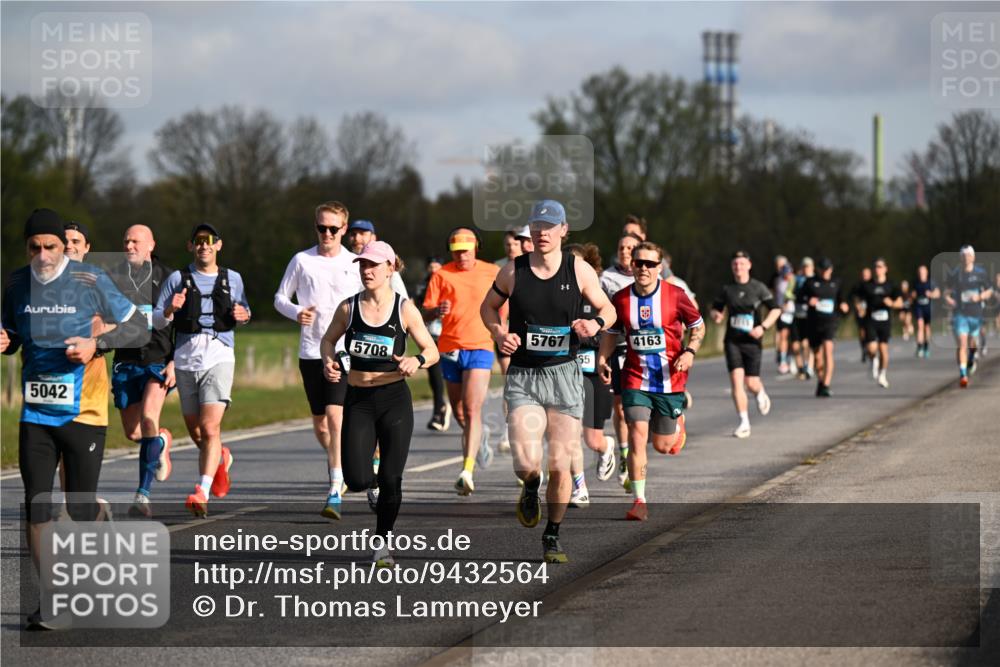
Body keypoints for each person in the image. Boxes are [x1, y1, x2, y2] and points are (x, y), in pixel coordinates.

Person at [3, 209, 147, 629]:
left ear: (63, 246)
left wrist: (96, 346)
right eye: (35, 247)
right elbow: (12, 332)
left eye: (51, 246)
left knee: (79, 507)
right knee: (37, 504)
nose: (44, 254)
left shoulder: (90, 280)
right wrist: (6, 339)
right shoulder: (15, 283)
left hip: (84, 411)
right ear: (26, 247)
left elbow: (137, 327)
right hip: (36, 411)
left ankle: (99, 520)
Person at [481, 200, 616, 564]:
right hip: (524, 373)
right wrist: (498, 333)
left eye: (548, 226)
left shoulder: (579, 270)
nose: (541, 232)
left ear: (563, 230)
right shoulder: (514, 271)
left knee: (560, 462)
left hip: (564, 374)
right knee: (527, 461)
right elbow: (488, 307)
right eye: (536, 226)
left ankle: (552, 535)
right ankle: (529, 485)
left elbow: (608, 309)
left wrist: (596, 325)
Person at [320, 241, 439, 567]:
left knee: (392, 479)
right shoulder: (349, 308)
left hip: (394, 401)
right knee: (356, 479)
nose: (367, 271)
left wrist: (416, 360)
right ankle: (369, 480)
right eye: (363, 265)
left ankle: (383, 542)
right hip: (358, 400)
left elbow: (432, 350)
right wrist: (328, 361)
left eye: (373, 265)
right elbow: (328, 340)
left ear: (391, 268)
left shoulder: (404, 309)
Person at [600, 242, 705, 521]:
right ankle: (639, 500)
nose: (643, 268)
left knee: (662, 445)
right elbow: (611, 332)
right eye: (639, 263)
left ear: (660, 267)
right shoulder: (621, 299)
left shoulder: (675, 295)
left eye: (649, 264)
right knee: (636, 435)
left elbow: (698, 326)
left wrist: (690, 352)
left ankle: (677, 417)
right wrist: (602, 358)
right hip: (635, 377)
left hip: (670, 380)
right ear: (632, 265)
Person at [153, 223, 251, 517]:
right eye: (198, 241)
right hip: (185, 358)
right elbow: (157, 320)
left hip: (219, 355)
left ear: (218, 245)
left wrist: (243, 315)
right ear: (190, 246)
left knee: (210, 427)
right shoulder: (177, 279)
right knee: (197, 432)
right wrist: (171, 308)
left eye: (209, 241)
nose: (204, 245)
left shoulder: (232, 278)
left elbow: (245, 312)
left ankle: (202, 491)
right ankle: (220, 459)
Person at [274, 202, 363, 519]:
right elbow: (280, 298)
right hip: (310, 351)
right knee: (321, 426)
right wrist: (296, 311)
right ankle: (342, 461)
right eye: (321, 228)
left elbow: (369, 300)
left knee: (335, 418)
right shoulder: (302, 261)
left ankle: (334, 488)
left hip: (342, 353)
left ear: (344, 229)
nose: (327, 233)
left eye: (333, 229)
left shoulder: (355, 263)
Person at [422, 228, 501, 496]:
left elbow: (504, 303)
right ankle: (479, 437)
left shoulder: (492, 272)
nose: (461, 256)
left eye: (466, 251)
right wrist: (435, 311)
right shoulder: (441, 274)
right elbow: (424, 312)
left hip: (480, 345)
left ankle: (466, 471)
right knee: (457, 411)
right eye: (456, 251)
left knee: (471, 408)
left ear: (476, 248)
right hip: (449, 348)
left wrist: (502, 329)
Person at [106, 225, 177, 518]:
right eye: (126, 241)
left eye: (135, 241)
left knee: (149, 416)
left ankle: (142, 495)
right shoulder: (112, 277)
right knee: (134, 432)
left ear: (151, 244)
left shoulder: (170, 277)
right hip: (126, 360)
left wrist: (175, 362)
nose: (129, 245)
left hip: (159, 358)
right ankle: (161, 441)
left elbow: (185, 324)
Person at [564, 243, 616, 508]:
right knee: (568, 435)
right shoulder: (559, 296)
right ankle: (580, 487)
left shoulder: (598, 296)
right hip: (566, 375)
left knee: (591, 439)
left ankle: (606, 446)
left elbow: (612, 330)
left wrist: (600, 353)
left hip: (593, 374)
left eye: (577, 264)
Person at [710, 250, 781, 438]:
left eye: (742, 264)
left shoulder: (758, 288)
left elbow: (775, 310)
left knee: (751, 383)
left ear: (749, 265)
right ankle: (744, 422)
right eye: (735, 264)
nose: (738, 267)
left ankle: (760, 393)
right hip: (732, 341)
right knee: (736, 382)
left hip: (752, 341)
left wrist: (763, 327)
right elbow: (715, 309)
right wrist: (716, 315)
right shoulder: (727, 289)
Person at [599, 233, 641, 490]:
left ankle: (636, 454)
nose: (625, 251)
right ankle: (626, 458)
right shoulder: (607, 278)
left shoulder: (649, 274)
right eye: (621, 247)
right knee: (621, 409)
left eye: (630, 248)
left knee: (638, 409)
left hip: (642, 350)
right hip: (617, 347)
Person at [944, 245, 992, 388]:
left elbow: (989, 290)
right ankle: (963, 374)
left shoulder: (980, 273)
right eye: (964, 256)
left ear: (973, 257)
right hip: (961, 314)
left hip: (976, 314)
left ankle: (971, 359)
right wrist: (949, 300)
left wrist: (980, 296)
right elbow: (946, 292)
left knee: (972, 344)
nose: (966, 258)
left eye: (969, 255)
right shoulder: (955, 274)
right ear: (960, 258)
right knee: (962, 343)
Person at [801, 258, 850, 397]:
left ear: (831, 269)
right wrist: (808, 300)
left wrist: (844, 306)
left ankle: (826, 384)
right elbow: (799, 297)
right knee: (817, 357)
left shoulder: (836, 283)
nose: (825, 272)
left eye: (827, 269)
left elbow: (842, 299)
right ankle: (821, 382)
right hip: (814, 323)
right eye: (822, 269)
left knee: (828, 350)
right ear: (818, 269)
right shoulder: (810, 282)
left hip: (830, 322)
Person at [415, 257, 450, 431]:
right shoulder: (423, 286)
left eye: (437, 266)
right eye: (430, 266)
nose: (433, 269)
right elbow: (416, 307)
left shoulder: (450, 281)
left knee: (451, 374)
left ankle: (452, 405)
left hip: (451, 335)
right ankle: (439, 409)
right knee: (434, 374)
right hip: (431, 335)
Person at [857, 258, 903, 388]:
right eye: (876, 267)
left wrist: (892, 303)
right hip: (870, 319)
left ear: (885, 269)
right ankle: (873, 360)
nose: (878, 269)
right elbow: (859, 299)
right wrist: (860, 307)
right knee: (871, 348)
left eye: (880, 266)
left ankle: (882, 375)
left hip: (885, 320)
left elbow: (900, 302)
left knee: (883, 350)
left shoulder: (891, 285)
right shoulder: (867, 285)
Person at [345, 219, 409, 298]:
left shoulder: (385, 264)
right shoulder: (342, 261)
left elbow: (402, 299)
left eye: (362, 234)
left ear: (373, 238)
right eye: (353, 234)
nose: (356, 238)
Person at [790, 257, 815, 379]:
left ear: (812, 267)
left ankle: (807, 366)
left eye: (808, 266)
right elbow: (789, 292)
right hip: (797, 315)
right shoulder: (797, 280)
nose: (806, 269)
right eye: (804, 266)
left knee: (806, 344)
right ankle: (800, 368)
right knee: (795, 346)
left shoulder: (815, 280)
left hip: (809, 317)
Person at [911, 265, 939, 359]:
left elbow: (938, 293)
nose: (921, 274)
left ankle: (926, 346)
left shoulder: (931, 282)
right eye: (919, 272)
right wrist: (912, 295)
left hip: (929, 308)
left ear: (926, 273)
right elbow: (910, 294)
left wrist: (931, 294)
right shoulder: (915, 282)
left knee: (927, 328)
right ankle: (919, 347)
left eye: (923, 272)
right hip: (919, 307)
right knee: (920, 325)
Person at [774, 263, 795, 374]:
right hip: (782, 313)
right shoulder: (779, 281)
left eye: (789, 273)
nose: (787, 275)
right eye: (785, 273)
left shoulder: (794, 281)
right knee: (783, 336)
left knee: (792, 339)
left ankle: (791, 359)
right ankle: (782, 361)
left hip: (793, 312)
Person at [851, 267, 873, 362]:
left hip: (871, 312)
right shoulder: (857, 286)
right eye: (863, 275)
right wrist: (858, 306)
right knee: (862, 331)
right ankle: (864, 349)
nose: (865, 276)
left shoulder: (873, 284)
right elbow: (853, 297)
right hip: (860, 311)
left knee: (870, 331)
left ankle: (869, 347)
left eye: (867, 274)